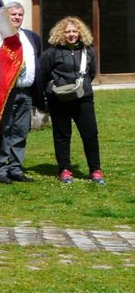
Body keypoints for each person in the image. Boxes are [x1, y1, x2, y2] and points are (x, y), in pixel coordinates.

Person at [41, 17, 104, 185]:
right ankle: (64, 169)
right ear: (61, 33)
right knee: (62, 135)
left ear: (80, 32)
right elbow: (44, 75)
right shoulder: (51, 53)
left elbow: (90, 74)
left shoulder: (88, 51)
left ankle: (95, 170)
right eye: (67, 31)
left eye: (74, 31)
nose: (71, 35)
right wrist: (53, 89)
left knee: (90, 134)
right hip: (59, 100)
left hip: (83, 100)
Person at [0, 2, 43, 184]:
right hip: (6, 93)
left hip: (26, 92)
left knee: (21, 131)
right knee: (4, 131)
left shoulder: (31, 37)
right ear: (7, 16)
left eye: (20, 14)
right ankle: (0, 169)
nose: (17, 17)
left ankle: (15, 169)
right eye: (13, 14)